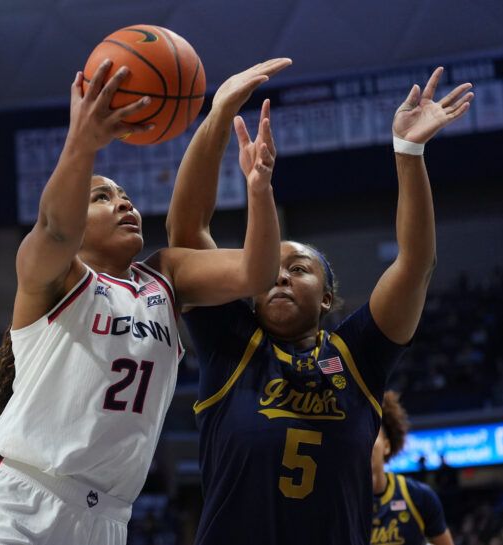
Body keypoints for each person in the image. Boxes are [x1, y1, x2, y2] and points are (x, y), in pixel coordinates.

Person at [0, 57, 282, 545]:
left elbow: (257, 271)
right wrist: (83, 143)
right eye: (102, 197)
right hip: (17, 500)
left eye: (126, 197)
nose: (124, 203)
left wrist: (242, 154)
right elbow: (55, 227)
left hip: (105, 520)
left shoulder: (164, 277)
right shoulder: (53, 279)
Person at [166, 66, 473, 544]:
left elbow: (415, 265)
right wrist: (218, 114)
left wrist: (410, 152)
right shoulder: (232, 343)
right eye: (272, 267)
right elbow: (187, 235)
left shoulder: (358, 354)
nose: (282, 275)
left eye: (301, 268)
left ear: (328, 296)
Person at [371, 391, 453, 545]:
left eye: (372, 436)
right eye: (360, 437)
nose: (364, 443)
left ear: (387, 446)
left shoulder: (419, 497)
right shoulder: (339, 504)